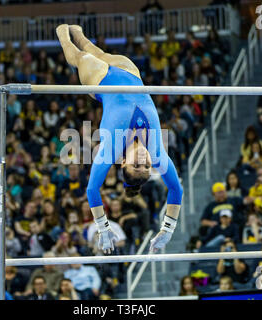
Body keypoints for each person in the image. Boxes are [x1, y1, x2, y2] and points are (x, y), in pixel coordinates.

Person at [56, 24, 183, 254]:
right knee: (100, 53)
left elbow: (92, 190)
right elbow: (176, 189)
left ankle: (63, 36)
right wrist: (167, 230)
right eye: (147, 166)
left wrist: (103, 229)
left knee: (82, 57)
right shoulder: (156, 152)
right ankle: (81, 34)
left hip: (101, 82)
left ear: (123, 163)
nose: (145, 160)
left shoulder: (112, 149)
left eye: (137, 164)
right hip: (131, 74)